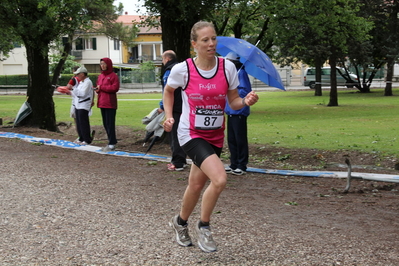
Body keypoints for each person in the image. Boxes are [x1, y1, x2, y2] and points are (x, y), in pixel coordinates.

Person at [163, 21, 259, 253]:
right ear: (194, 44)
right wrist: (168, 115)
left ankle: (180, 222)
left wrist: (245, 102)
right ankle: (204, 227)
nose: (211, 43)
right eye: (205, 40)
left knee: (196, 184)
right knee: (219, 179)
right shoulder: (182, 69)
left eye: (214, 38)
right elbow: (168, 91)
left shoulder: (227, 68)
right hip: (191, 133)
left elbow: (233, 101)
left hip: (215, 135)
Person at [224, 52, 252, 175]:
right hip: (230, 111)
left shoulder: (241, 73)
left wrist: (232, 90)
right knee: (231, 139)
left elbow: (245, 91)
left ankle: (242, 164)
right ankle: (233, 163)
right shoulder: (232, 74)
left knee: (240, 139)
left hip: (239, 111)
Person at [159, 50, 187, 171]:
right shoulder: (181, 68)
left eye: (162, 59)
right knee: (180, 133)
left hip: (174, 106)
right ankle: (181, 159)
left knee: (174, 134)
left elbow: (167, 91)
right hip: (183, 105)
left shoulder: (169, 71)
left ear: (167, 59)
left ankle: (178, 162)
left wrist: (162, 105)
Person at [95, 58, 120, 152]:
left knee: (110, 123)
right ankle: (110, 141)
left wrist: (102, 87)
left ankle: (112, 143)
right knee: (105, 123)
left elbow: (115, 88)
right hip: (102, 102)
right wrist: (97, 89)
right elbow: (98, 86)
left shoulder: (113, 76)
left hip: (110, 103)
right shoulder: (101, 76)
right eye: (101, 64)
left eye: (104, 64)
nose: (102, 65)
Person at [69, 66, 95, 145]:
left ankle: (87, 139)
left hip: (84, 104)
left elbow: (82, 94)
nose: (76, 76)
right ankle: (81, 137)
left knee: (83, 122)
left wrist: (73, 88)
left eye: (78, 74)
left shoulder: (88, 82)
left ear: (83, 74)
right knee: (79, 122)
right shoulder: (81, 82)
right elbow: (77, 93)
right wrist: (69, 91)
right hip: (78, 104)